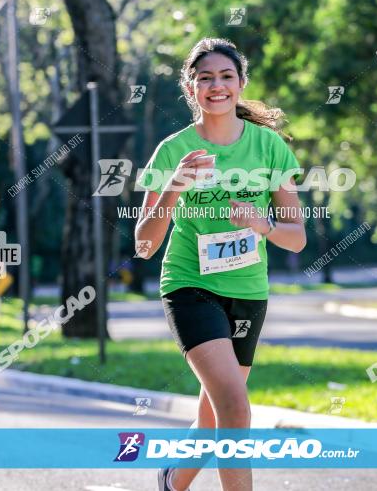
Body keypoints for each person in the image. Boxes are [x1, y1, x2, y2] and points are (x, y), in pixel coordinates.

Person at [135, 38, 307, 491]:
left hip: (248, 291)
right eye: (205, 78)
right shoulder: (173, 151)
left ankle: (173, 480)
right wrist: (173, 188)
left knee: (214, 413)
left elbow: (296, 238)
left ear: (241, 83)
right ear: (190, 89)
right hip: (190, 286)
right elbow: (144, 244)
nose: (217, 85)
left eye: (226, 76)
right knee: (234, 406)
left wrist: (261, 223)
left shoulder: (269, 148)